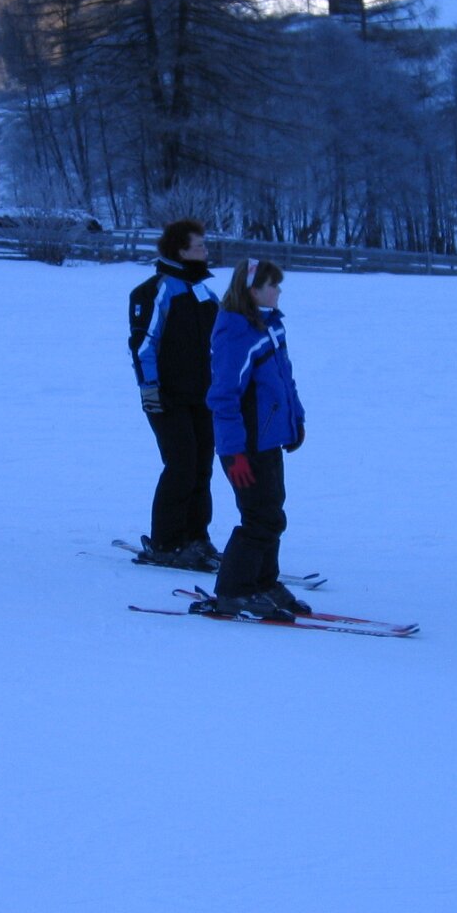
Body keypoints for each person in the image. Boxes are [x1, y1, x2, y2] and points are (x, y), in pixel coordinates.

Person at [204, 259, 307, 621]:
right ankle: (234, 591)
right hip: (245, 445)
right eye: (272, 285)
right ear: (252, 290)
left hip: (268, 439)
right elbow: (224, 397)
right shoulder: (236, 332)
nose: (278, 291)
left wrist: (296, 420)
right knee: (259, 517)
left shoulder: (270, 325)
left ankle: (264, 582)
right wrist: (233, 452)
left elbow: (284, 379)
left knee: (273, 513)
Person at [128, 219, 221, 568]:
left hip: (203, 397)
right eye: (200, 246)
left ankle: (196, 538)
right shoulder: (157, 291)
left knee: (202, 467)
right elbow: (143, 346)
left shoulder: (204, 293)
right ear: (181, 251)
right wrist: (150, 389)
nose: (206, 251)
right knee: (181, 465)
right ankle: (166, 543)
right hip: (167, 397)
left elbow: (221, 342)